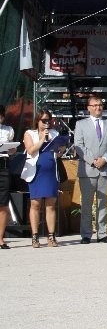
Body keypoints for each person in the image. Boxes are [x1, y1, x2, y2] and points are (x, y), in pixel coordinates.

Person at [74, 95, 107, 244]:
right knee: (87, 203)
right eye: (94, 105)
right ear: (88, 108)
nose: (98, 108)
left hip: (105, 168)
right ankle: (86, 234)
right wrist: (93, 161)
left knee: (103, 202)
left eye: (100, 105)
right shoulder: (81, 124)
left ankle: (102, 233)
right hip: (88, 169)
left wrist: (104, 159)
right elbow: (79, 146)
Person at [22, 110, 63, 248]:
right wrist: (42, 140)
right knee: (35, 204)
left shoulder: (54, 134)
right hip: (36, 172)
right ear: (37, 121)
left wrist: (60, 149)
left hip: (50, 172)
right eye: (43, 120)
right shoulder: (29, 133)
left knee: (51, 204)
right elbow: (31, 150)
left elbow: (57, 153)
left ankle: (51, 236)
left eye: (48, 120)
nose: (46, 123)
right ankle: (35, 236)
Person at [0, 105, 14, 249]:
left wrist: (12, 149)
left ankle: (0, 238)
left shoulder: (8, 130)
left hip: (3, 164)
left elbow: (12, 150)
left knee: (3, 204)